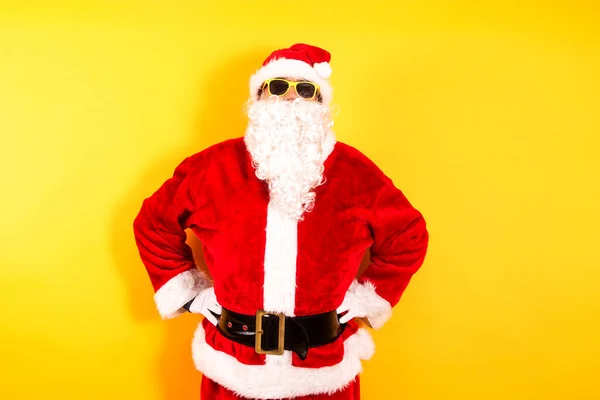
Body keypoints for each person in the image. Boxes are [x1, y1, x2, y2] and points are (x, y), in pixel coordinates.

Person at [133, 43, 429, 400]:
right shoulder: (211, 168)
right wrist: (191, 294)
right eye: (277, 87)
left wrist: (368, 297)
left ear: (321, 104)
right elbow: (153, 223)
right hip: (232, 365)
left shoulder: (356, 173)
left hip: (324, 367)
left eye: (305, 89)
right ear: (257, 98)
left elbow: (408, 235)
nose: (291, 98)